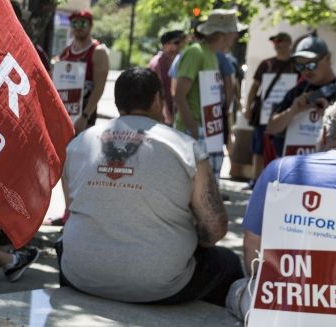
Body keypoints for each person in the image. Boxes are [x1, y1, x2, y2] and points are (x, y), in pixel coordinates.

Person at [57, 68, 241, 306]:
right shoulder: (185, 147)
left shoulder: (79, 143)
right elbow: (215, 228)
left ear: (117, 102)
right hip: (160, 284)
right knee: (228, 263)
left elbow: (72, 210)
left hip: (79, 274)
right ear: (157, 100)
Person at [241, 98, 336, 321]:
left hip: (286, 313)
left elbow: (253, 253)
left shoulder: (280, 170)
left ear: (325, 134)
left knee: (237, 289)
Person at [174, 9, 244, 179]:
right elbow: (179, 93)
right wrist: (192, 128)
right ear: (223, 34)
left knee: (210, 187)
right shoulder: (195, 52)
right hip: (195, 130)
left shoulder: (213, 55)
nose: (236, 36)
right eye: (233, 32)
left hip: (210, 130)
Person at [266, 35, 336, 141]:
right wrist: (292, 111)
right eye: (300, 66)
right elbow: (271, 128)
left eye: (311, 65)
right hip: (300, 155)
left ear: (327, 58)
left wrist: (329, 115)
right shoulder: (298, 91)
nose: (306, 71)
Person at [242, 32, 296, 188]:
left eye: (280, 41)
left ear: (288, 43)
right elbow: (255, 87)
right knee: (258, 146)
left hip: (285, 114)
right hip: (264, 112)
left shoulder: (295, 65)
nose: (277, 44)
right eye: (274, 42)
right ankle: (256, 180)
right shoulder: (266, 64)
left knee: (281, 146)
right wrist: (248, 107)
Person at [57, 10, 109, 134]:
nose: (79, 27)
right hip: (64, 112)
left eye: (83, 24)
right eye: (75, 23)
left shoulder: (98, 51)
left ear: (90, 26)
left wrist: (85, 116)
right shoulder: (66, 51)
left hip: (83, 114)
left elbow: (99, 88)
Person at [147, 29, 184, 124]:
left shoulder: (176, 61)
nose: (179, 46)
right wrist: (167, 117)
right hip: (162, 117)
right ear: (165, 44)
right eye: (176, 42)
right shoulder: (157, 63)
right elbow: (159, 92)